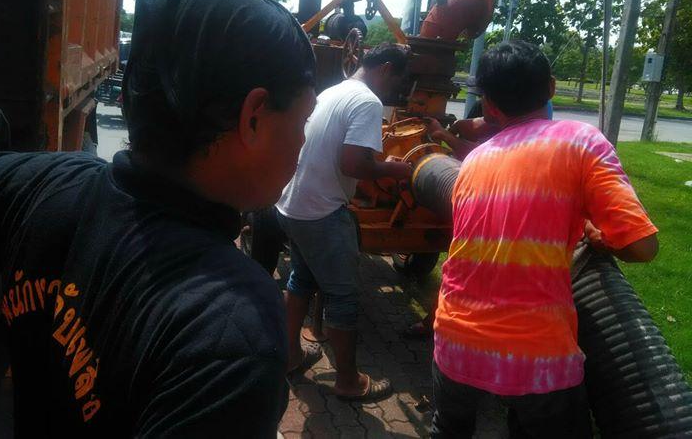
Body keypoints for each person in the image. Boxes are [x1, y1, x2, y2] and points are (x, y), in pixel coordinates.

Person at [0, 0, 317, 437]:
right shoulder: (232, 329)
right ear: (253, 117)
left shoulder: (46, 184)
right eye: (303, 120)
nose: (303, 142)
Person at [431, 40, 659, 438]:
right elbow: (642, 247)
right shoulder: (581, 142)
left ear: (489, 105)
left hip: (455, 338)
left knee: (448, 430)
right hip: (536, 355)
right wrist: (600, 238)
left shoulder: (474, 160)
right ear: (551, 87)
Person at [276, 43, 413, 401]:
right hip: (321, 212)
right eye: (396, 81)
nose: (394, 91)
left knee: (301, 280)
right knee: (343, 297)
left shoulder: (332, 91)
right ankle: (349, 382)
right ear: (386, 69)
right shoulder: (367, 101)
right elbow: (353, 164)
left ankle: (290, 356)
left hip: (293, 205)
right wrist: (395, 170)